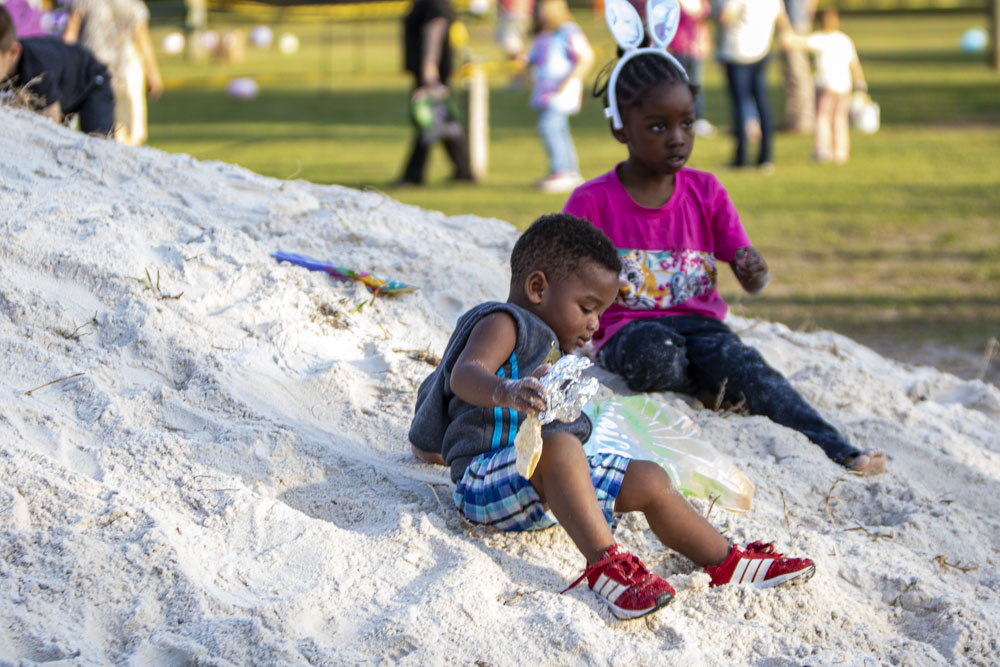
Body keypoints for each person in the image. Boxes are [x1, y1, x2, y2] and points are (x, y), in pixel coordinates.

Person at [409, 213, 816, 621]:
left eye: (600, 312)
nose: (595, 324)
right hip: (484, 484)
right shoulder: (503, 321)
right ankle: (606, 566)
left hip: (543, 485)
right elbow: (464, 374)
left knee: (650, 478)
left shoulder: (554, 346)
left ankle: (727, 561)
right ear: (537, 287)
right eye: (587, 308)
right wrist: (507, 391)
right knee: (560, 446)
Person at [563, 37, 886, 475]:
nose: (677, 139)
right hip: (629, 330)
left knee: (751, 372)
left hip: (702, 327)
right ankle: (706, 384)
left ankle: (840, 450)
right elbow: (566, 280)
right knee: (655, 355)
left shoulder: (707, 191)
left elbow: (752, 276)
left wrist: (755, 271)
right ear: (621, 129)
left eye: (687, 123)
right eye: (658, 127)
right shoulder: (591, 201)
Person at [0, 5, 114, 135]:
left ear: (14, 52)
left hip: (91, 78)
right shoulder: (6, 62)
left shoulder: (37, 70)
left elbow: (52, 124)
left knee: (97, 137)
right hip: (62, 84)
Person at [63, 0, 162, 146]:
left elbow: (70, 35)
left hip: (95, 70)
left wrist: (65, 68)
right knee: (125, 132)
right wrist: (152, 73)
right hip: (123, 70)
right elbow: (142, 38)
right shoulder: (133, 3)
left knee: (99, 132)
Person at [396, 0, 474, 186]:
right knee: (439, 120)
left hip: (431, 72)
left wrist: (429, 67)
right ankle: (463, 170)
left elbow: (435, 29)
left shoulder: (435, 2)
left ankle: (413, 175)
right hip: (429, 71)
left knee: (427, 119)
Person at [783, 8, 867, 164]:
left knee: (823, 118)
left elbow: (799, 43)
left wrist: (786, 32)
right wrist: (861, 84)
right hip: (845, 87)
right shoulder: (844, 39)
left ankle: (823, 152)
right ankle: (841, 153)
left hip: (827, 86)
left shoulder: (822, 38)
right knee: (840, 119)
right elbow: (855, 65)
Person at [714, 0, 791, 170]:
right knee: (762, 104)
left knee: (740, 106)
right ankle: (765, 157)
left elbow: (725, 18)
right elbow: (782, 20)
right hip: (762, 51)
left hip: (737, 54)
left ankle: (741, 158)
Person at [526, 0, 594, 193]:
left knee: (549, 127)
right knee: (559, 130)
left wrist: (570, 80)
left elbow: (586, 57)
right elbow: (534, 59)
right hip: (545, 91)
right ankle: (569, 170)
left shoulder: (568, 31)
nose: (541, 13)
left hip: (560, 91)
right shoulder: (543, 34)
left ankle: (562, 171)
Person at [670, 0, 714, 136]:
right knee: (678, 85)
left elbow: (705, 12)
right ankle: (677, 117)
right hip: (680, 47)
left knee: (696, 84)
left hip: (697, 48)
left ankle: (698, 118)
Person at [779, 0, 816, 134]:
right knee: (792, 74)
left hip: (794, 24)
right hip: (795, 22)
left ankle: (803, 121)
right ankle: (794, 119)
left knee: (797, 74)